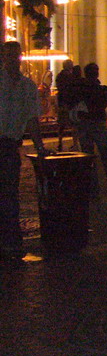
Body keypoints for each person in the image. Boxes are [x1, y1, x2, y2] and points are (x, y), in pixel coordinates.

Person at [0, 42, 47, 260]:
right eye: (8, 56)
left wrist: (39, 146)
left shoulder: (27, 86)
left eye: (15, 56)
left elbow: (32, 119)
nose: (12, 60)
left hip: (10, 145)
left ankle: (10, 237)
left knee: (10, 192)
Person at [67, 63, 107, 196]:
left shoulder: (81, 89)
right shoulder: (102, 89)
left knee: (89, 157)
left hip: (86, 124)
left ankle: (93, 188)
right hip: (98, 124)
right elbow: (101, 106)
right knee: (105, 156)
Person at [54, 58, 77, 151]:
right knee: (73, 124)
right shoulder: (72, 77)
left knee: (61, 125)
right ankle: (75, 143)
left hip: (62, 103)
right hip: (70, 103)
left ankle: (60, 142)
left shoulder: (59, 76)